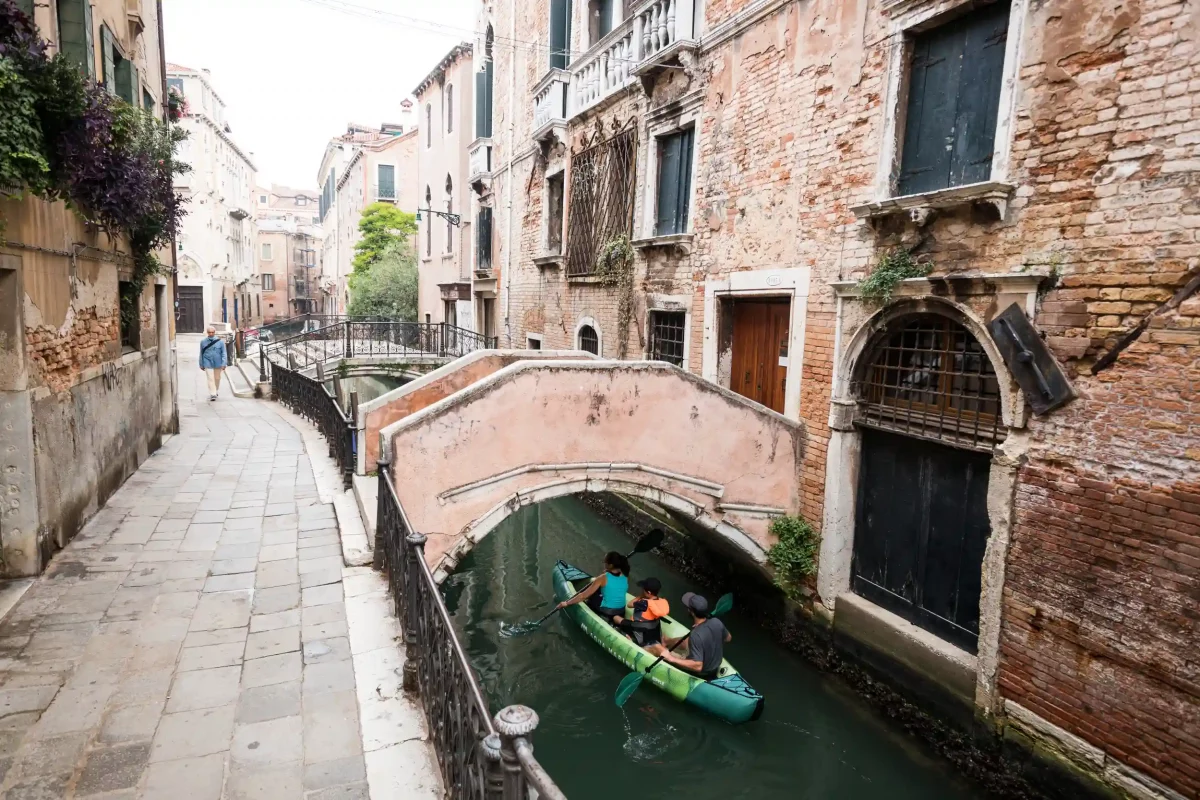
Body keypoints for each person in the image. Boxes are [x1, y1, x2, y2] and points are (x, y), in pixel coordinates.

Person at [648, 592, 730, 680]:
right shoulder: (716, 622)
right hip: (714, 667)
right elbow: (728, 638)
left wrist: (671, 658)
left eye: (688, 608)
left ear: (692, 612)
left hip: (701, 673)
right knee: (687, 640)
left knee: (655, 647)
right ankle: (666, 641)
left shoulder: (696, 634)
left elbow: (698, 666)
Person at [557, 551, 629, 624]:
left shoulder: (602, 578)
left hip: (607, 612)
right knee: (601, 590)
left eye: (604, 562)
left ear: (610, 565)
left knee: (592, 594)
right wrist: (608, 571)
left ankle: (589, 606)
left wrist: (566, 603)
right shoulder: (625, 576)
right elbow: (613, 582)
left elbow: (583, 596)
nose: (603, 564)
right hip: (621, 611)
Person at [613, 577, 669, 647]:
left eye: (643, 589)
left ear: (649, 592)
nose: (642, 590)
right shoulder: (660, 601)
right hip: (652, 630)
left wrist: (641, 596)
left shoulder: (643, 603)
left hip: (639, 629)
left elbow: (629, 604)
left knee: (616, 618)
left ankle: (631, 638)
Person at [200, 326, 228, 401]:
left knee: (217, 378)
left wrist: (224, 363)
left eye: (212, 332)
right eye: (209, 332)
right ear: (207, 333)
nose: (211, 334)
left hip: (218, 362)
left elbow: (224, 353)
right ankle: (213, 393)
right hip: (207, 362)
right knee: (210, 378)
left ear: (214, 333)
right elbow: (201, 353)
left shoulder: (220, 342)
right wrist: (201, 364)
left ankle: (215, 390)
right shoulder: (203, 342)